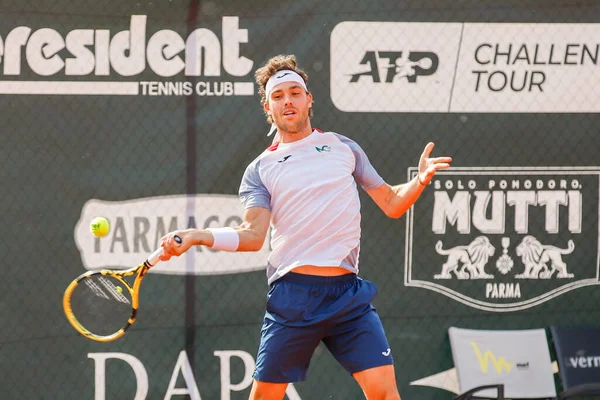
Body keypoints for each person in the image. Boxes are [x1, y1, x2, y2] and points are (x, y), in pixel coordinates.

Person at [159, 54, 452, 400]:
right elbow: (252, 236)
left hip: (347, 295)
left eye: (295, 93)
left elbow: (391, 203)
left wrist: (419, 181)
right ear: (268, 107)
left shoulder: (345, 148)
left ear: (308, 99)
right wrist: (197, 236)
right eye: (278, 96)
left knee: (385, 393)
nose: (288, 101)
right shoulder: (261, 169)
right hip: (293, 297)